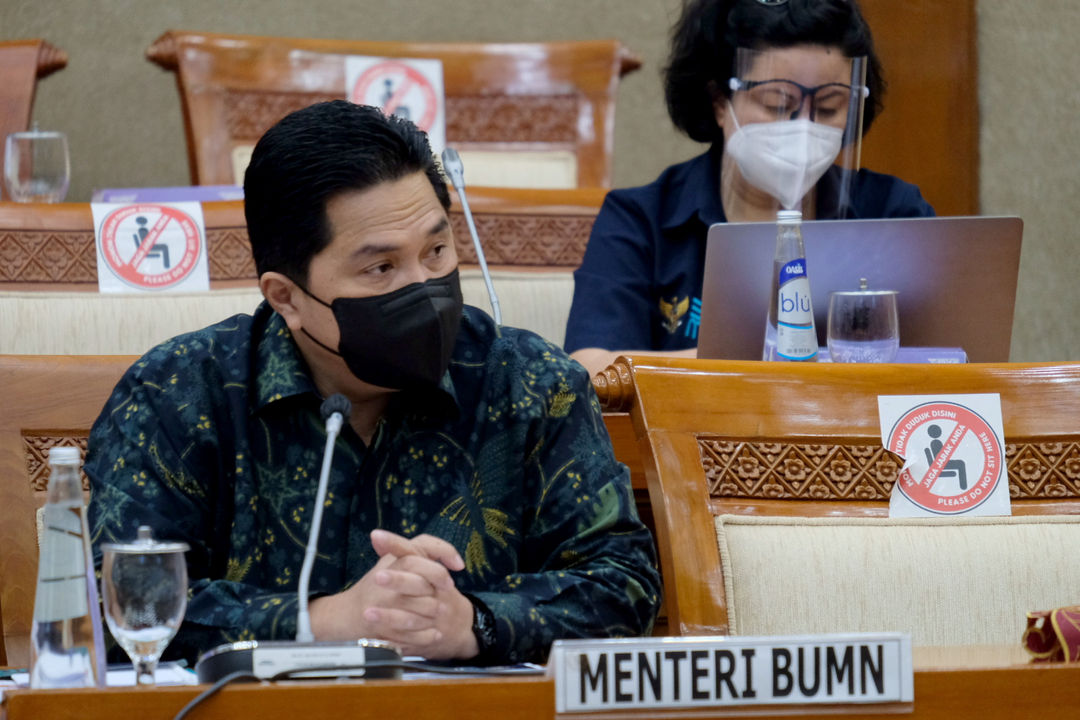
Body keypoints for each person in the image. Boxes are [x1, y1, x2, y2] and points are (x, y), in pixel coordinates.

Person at [86, 100, 661, 666]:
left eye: (436, 250)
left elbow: (624, 585)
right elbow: (120, 608)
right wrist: (325, 623)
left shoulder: (531, 384)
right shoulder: (178, 395)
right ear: (286, 297)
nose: (425, 288)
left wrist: (472, 623)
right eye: (381, 268)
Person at [564, 0, 936, 377]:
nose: (803, 127)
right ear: (720, 101)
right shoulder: (641, 221)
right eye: (778, 103)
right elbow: (590, 369)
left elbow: (951, 361)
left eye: (828, 107)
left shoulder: (892, 213)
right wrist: (775, 360)